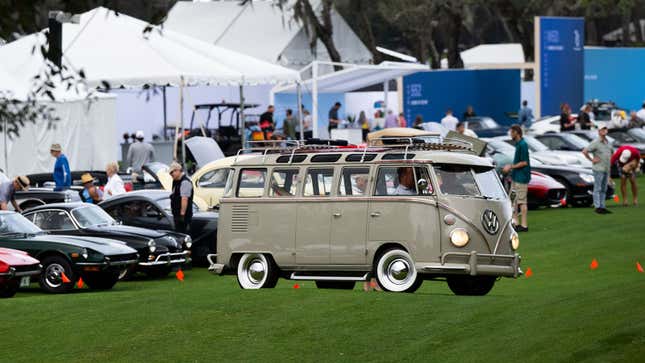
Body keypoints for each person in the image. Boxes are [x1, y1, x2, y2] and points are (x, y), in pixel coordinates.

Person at [503, 125, 530, 232]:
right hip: (515, 177)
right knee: (513, 200)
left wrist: (510, 166)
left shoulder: (523, 145)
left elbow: (524, 162)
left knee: (522, 201)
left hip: (521, 178)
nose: (510, 134)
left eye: (511, 132)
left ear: (516, 132)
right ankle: (516, 223)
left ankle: (524, 225)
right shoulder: (518, 144)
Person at [582, 126, 613, 214]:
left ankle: (602, 207)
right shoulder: (596, 142)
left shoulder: (608, 142)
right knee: (597, 188)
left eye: (605, 129)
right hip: (598, 168)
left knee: (604, 189)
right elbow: (585, 151)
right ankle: (597, 207)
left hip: (606, 168)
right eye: (602, 129)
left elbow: (611, 153)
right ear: (599, 131)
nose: (604, 131)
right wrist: (592, 160)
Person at [169, 162, 193, 234]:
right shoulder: (176, 181)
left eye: (172, 172)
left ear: (178, 170)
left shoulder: (185, 182)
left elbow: (184, 199)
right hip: (177, 215)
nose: (171, 175)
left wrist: (182, 215)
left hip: (183, 217)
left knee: (183, 236)